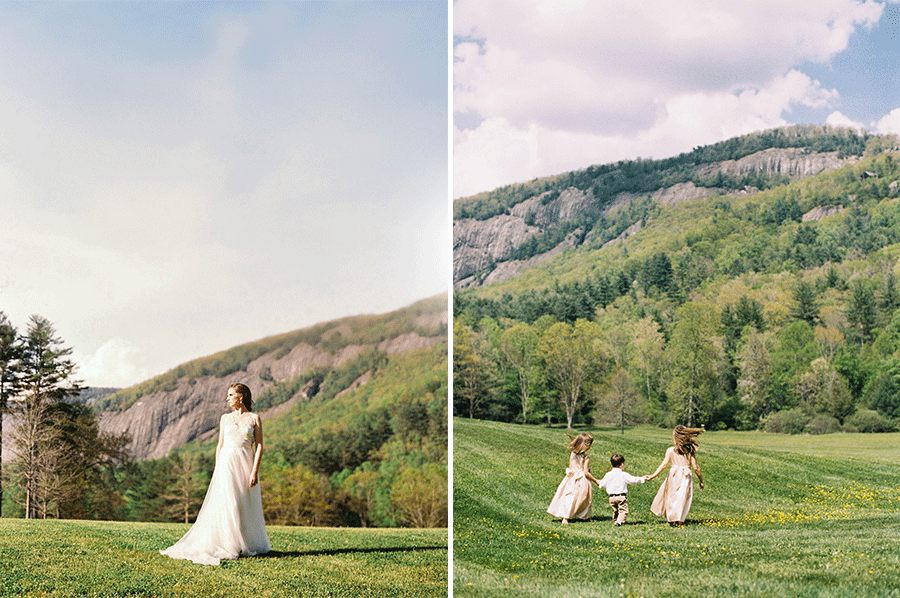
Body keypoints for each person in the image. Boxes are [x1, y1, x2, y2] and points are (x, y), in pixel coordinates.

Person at [160, 383, 271, 565]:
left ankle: (244, 543)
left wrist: (254, 471)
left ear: (241, 396)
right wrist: (218, 467)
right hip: (226, 464)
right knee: (229, 503)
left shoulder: (255, 418)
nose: (227, 399)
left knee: (244, 503)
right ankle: (229, 544)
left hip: (245, 464)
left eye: (230, 395)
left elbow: (259, 445)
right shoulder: (225, 418)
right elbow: (220, 445)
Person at [646, 425, 705, 526]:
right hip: (686, 476)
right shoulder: (689, 451)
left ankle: (673, 518)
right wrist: (701, 480)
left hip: (673, 475)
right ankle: (680, 519)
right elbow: (696, 467)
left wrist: (653, 476)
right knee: (683, 497)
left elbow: (664, 465)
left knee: (672, 496)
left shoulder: (671, 450)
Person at [546, 432, 600, 524]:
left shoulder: (573, 454)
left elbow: (571, 468)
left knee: (569, 497)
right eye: (589, 445)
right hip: (582, 480)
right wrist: (596, 481)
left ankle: (565, 517)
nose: (590, 447)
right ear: (584, 445)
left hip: (571, 478)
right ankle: (586, 517)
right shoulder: (585, 457)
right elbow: (586, 473)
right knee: (585, 500)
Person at [596, 454, 646, 527]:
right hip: (621, 496)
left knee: (616, 510)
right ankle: (618, 523)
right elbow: (633, 480)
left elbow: (602, 484)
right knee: (623, 510)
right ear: (622, 464)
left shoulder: (608, 474)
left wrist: (598, 482)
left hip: (611, 497)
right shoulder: (623, 474)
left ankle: (616, 520)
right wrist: (643, 478)